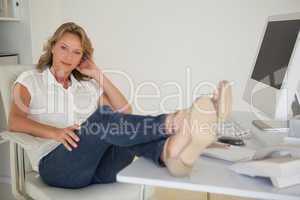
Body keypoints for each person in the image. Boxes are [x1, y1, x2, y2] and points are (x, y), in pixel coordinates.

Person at [8, 22, 232, 189]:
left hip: (99, 169)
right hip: (57, 166)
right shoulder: (31, 79)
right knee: (103, 118)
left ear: (82, 58)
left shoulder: (85, 86)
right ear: (53, 47)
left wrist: (97, 74)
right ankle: (177, 122)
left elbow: (125, 113)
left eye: (76, 52)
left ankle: (171, 154)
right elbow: (14, 121)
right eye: (64, 48)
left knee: (117, 128)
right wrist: (55, 132)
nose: (69, 56)